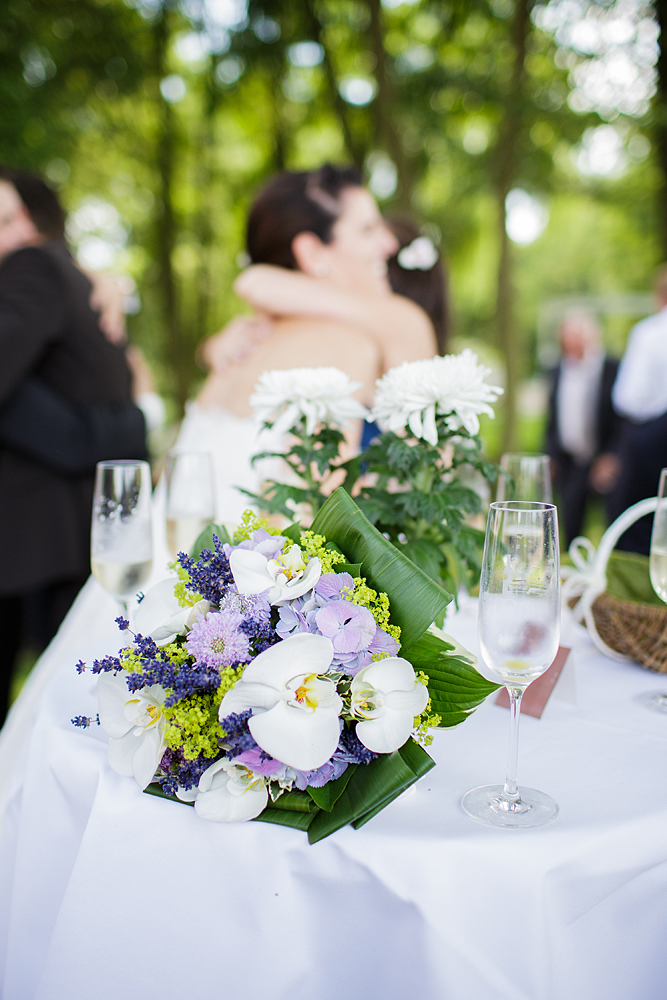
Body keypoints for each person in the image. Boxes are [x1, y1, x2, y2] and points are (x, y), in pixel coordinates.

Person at [178, 164, 438, 523]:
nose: (389, 244)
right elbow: (325, 519)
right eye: (366, 229)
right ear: (313, 253)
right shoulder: (350, 345)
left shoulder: (244, 344)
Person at [0, 169, 147, 726]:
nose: (11, 236)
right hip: (65, 533)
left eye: (11, 218)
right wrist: (130, 427)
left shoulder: (33, 267)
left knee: (64, 718)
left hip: (44, 539)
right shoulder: (63, 279)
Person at [545, 313, 622, 546]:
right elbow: (552, 419)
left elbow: (623, 417)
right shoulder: (558, 370)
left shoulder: (612, 369)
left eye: (578, 338)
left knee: (613, 521)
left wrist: (613, 456)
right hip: (570, 459)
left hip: (604, 457)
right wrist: (551, 456)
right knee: (569, 521)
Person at [608, 264, 667, 554]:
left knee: (638, 524)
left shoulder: (648, 333)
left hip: (652, 438)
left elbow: (628, 397)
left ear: (658, 296)